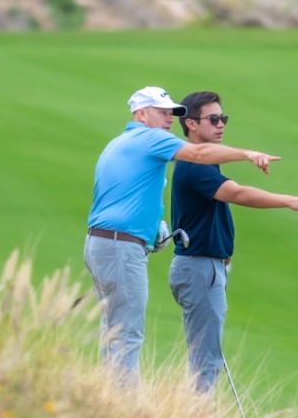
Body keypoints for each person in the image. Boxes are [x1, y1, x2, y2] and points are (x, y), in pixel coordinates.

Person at [85, 86, 282, 386]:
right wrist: (248, 154)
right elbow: (199, 153)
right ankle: (123, 407)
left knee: (114, 331)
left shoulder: (120, 142)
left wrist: (153, 228)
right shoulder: (149, 138)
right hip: (120, 247)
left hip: (104, 244)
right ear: (141, 114)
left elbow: (122, 197)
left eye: (171, 113)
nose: (169, 119)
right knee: (127, 334)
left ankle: (108, 399)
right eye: (162, 112)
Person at [169, 91, 298, 393]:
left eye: (223, 118)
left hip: (203, 267)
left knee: (207, 356)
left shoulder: (203, 164)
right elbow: (236, 193)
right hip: (199, 267)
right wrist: (289, 200)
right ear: (191, 124)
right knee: (206, 360)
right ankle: (197, 416)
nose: (221, 124)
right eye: (213, 119)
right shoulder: (195, 165)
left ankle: (197, 413)